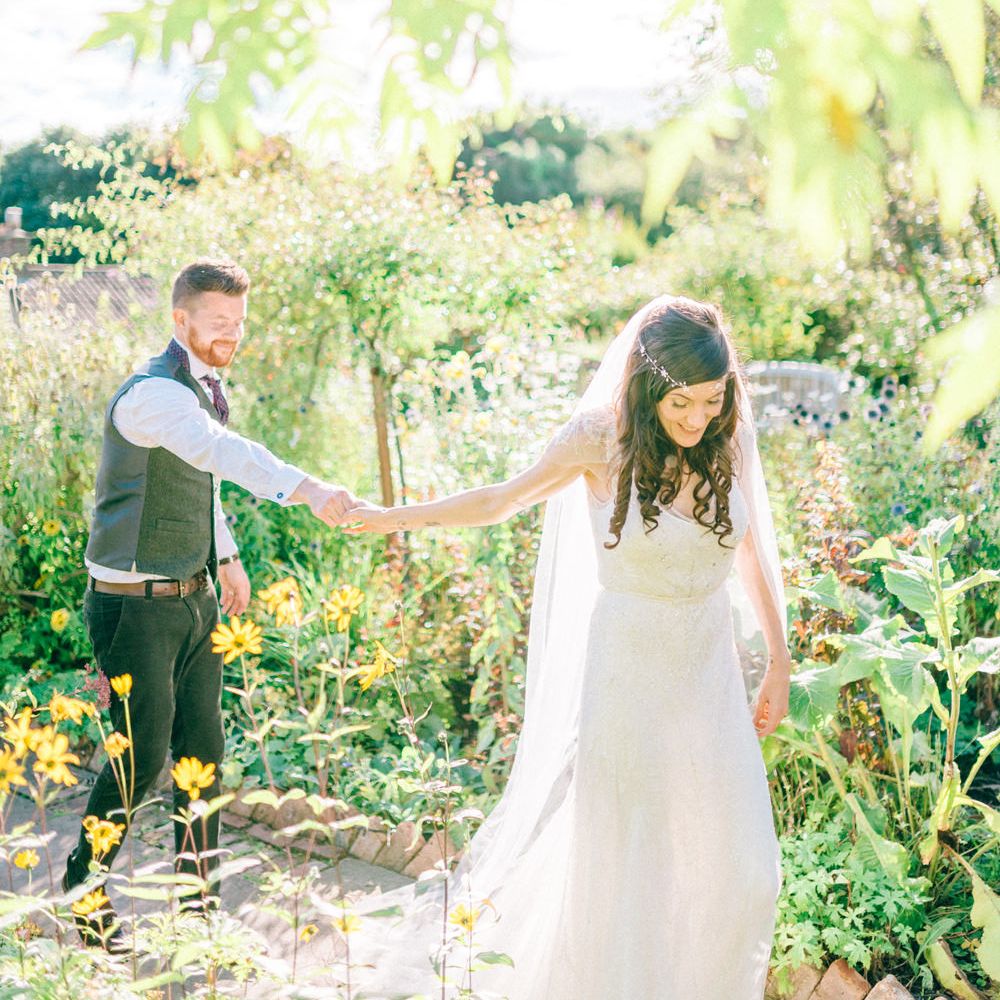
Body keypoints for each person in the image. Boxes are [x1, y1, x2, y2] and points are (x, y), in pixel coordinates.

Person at [340, 294, 789, 999]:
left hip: (707, 674)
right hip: (629, 675)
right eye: (682, 405)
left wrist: (780, 659)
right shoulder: (597, 439)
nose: (699, 418)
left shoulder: (727, 437)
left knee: (744, 870)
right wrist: (394, 516)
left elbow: (753, 551)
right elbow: (498, 501)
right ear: (646, 384)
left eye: (712, 399)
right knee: (633, 869)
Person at [62, 258, 355, 952]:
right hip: (134, 607)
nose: (232, 333)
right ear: (180, 320)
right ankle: (83, 891)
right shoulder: (152, 395)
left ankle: (197, 913)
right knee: (142, 757)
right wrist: (310, 489)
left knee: (204, 753)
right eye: (218, 322)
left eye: (238, 322)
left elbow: (203, 479)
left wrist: (223, 554)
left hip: (193, 598)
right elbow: (220, 451)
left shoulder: (201, 387)